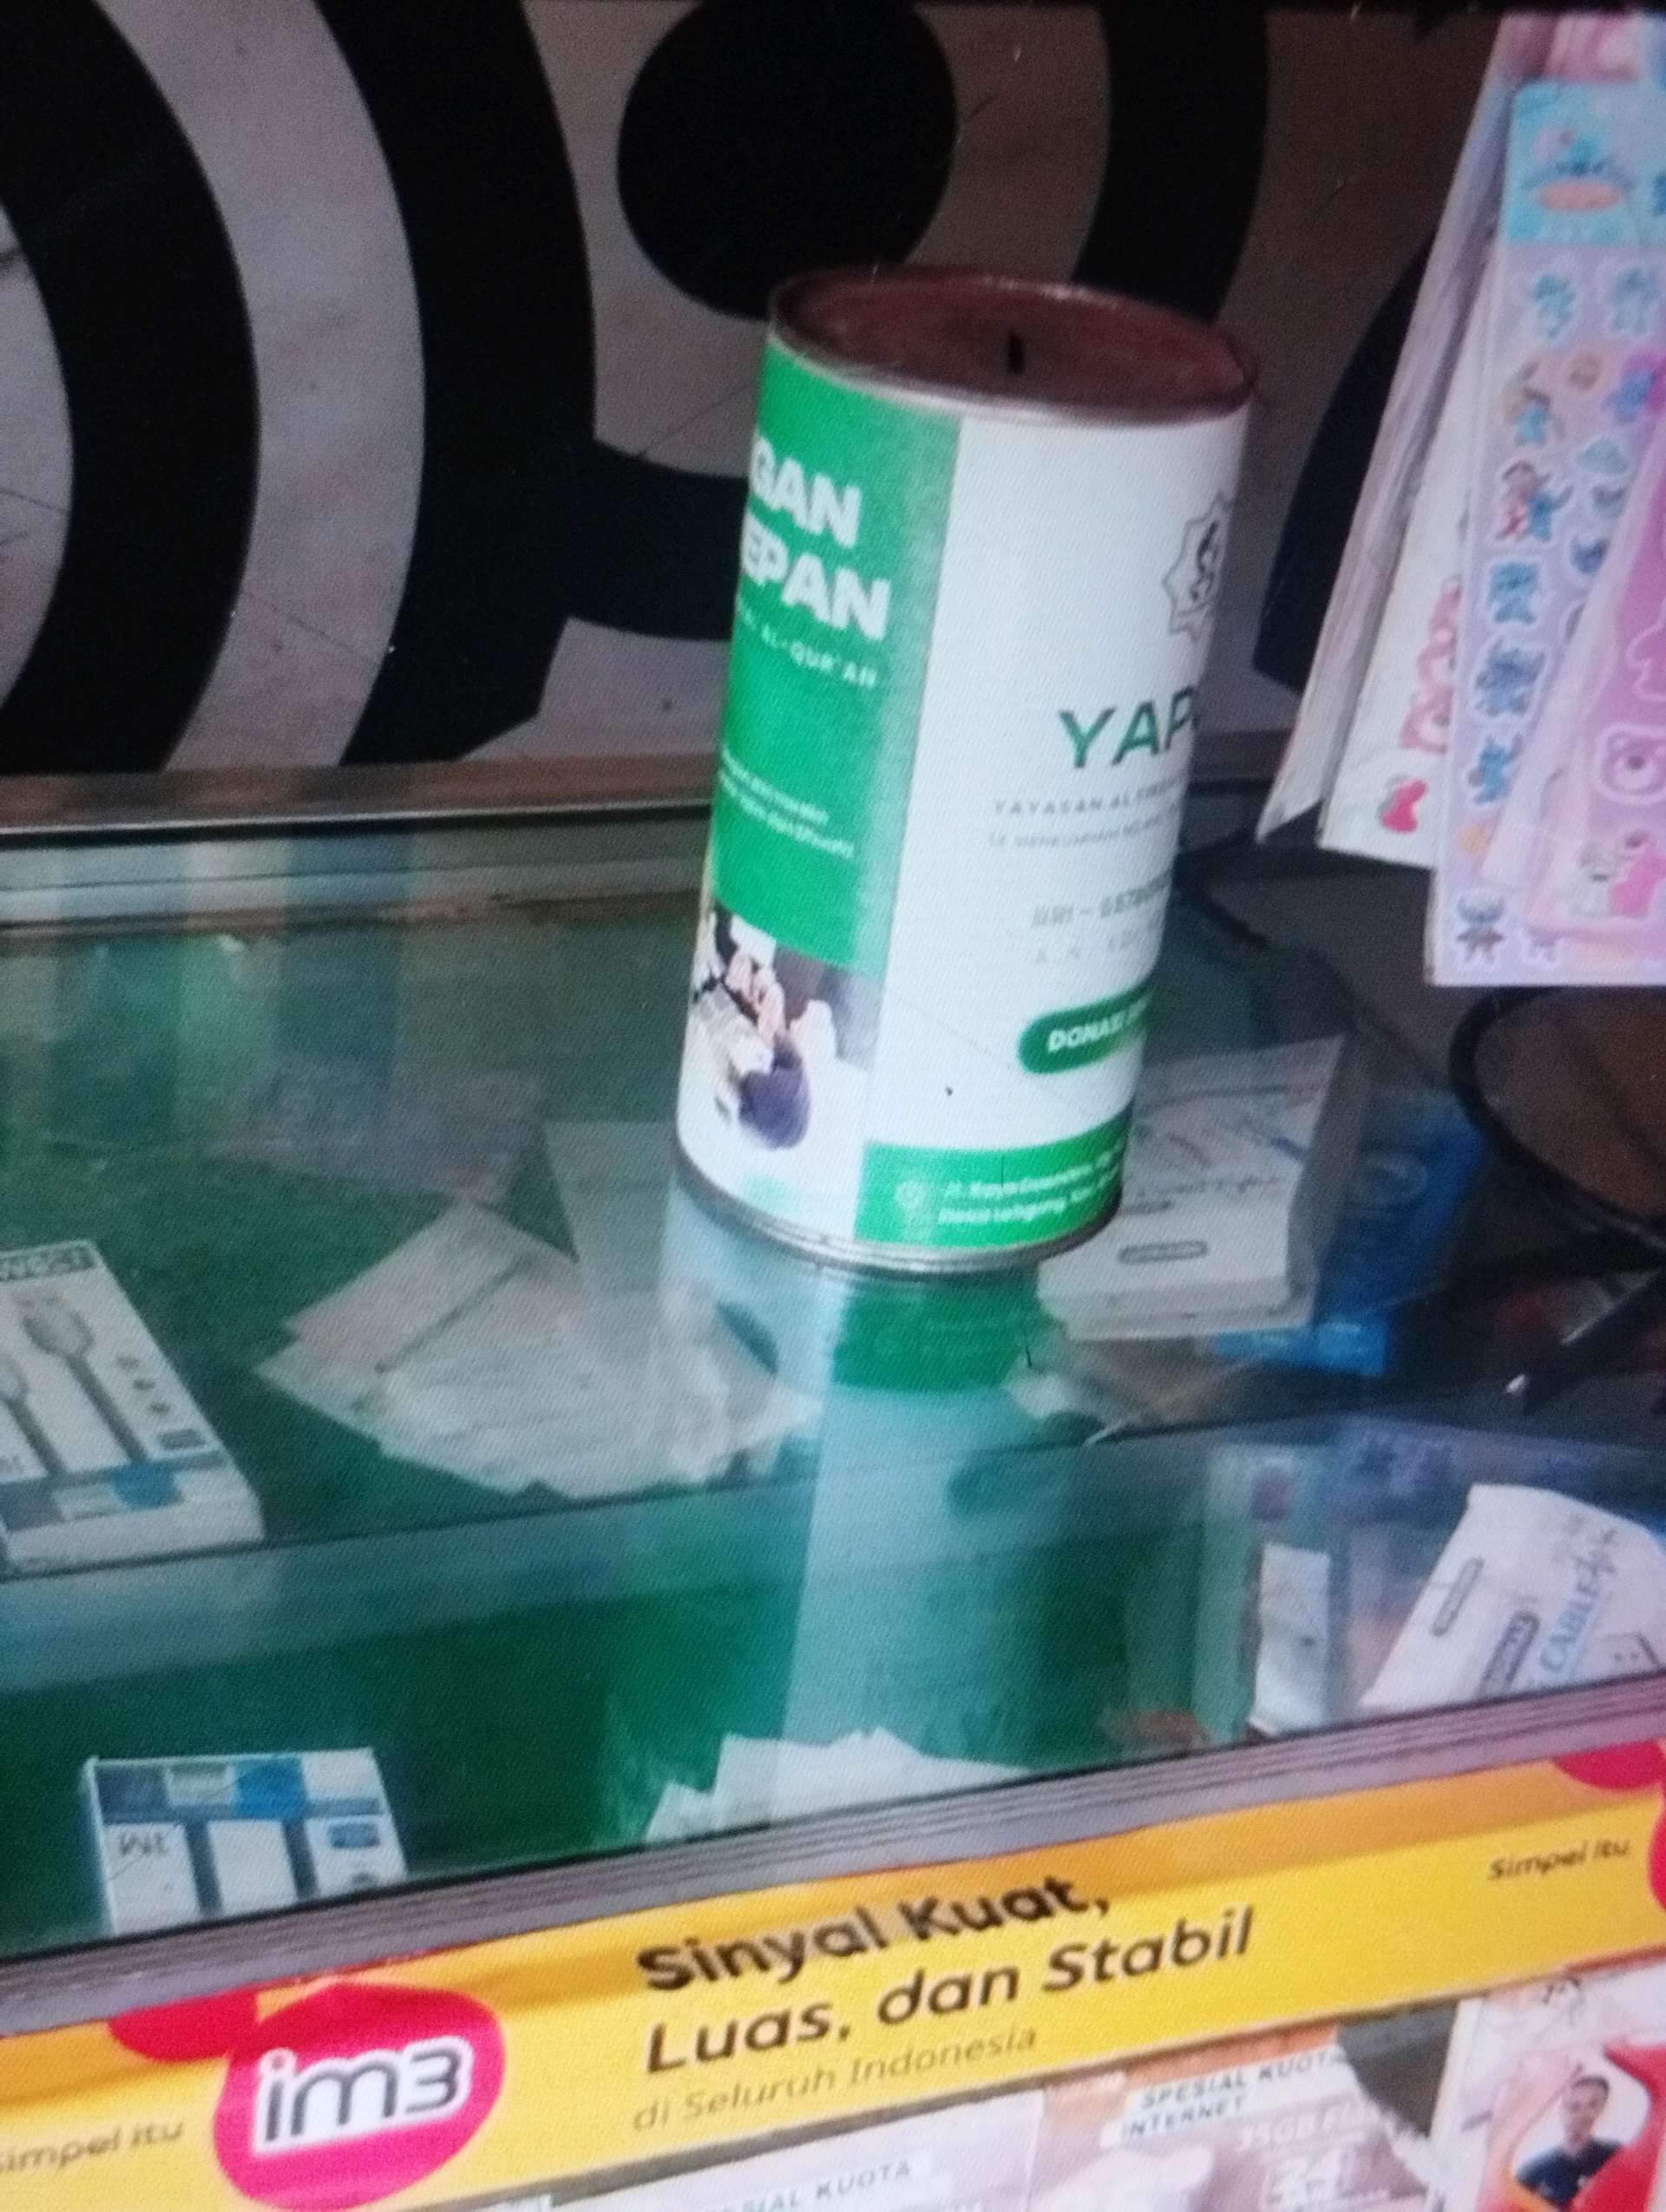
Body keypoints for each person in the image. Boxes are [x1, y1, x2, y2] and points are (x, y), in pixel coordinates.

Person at [1516, 2074, 1622, 2208]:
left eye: (1593, 2105)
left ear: (1602, 2109)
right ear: (1561, 2108)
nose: (1582, 2114)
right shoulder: (1533, 2170)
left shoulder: (1617, 2158)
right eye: (1574, 2106)